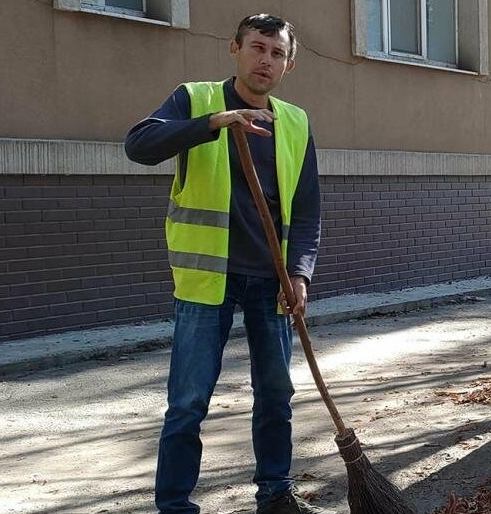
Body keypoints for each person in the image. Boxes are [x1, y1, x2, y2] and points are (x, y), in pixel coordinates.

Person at [124, 14, 326, 514]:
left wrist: (299, 272)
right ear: (234, 48)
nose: (266, 60)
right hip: (206, 278)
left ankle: (275, 495)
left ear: (289, 64)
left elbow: (306, 208)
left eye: (277, 53)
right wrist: (214, 124)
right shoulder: (194, 99)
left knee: (277, 395)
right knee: (189, 401)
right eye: (258, 48)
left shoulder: (294, 121)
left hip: (271, 281)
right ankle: (174, 505)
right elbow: (139, 145)